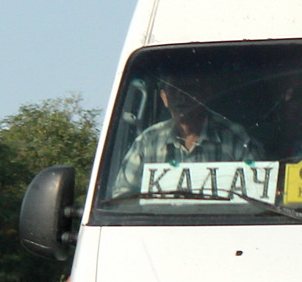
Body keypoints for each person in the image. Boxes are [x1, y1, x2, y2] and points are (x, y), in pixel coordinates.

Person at [112, 71, 261, 196]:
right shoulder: (148, 141)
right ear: (164, 97)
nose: (181, 97)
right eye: (173, 91)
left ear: (205, 94)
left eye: (188, 90)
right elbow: (123, 194)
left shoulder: (234, 138)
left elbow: (257, 192)